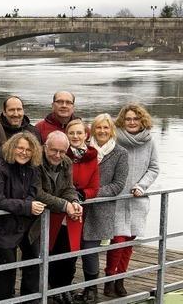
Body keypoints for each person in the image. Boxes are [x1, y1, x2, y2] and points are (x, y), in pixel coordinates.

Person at [0, 132, 45, 302]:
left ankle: (29, 299)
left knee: (33, 258)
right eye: (20, 148)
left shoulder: (32, 167)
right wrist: (27, 206)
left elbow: (33, 192)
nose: (24, 152)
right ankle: (0, 298)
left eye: (28, 150)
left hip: (21, 224)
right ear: (11, 147)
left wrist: (28, 204)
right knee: (5, 268)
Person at [105, 104, 159, 297]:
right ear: (122, 120)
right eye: (128, 119)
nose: (132, 122)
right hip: (117, 198)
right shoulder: (114, 139)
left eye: (136, 119)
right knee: (117, 239)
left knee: (128, 241)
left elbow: (154, 168)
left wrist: (141, 186)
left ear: (142, 120)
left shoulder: (149, 141)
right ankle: (109, 279)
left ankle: (121, 279)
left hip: (137, 198)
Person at [78, 114, 128, 304]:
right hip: (79, 207)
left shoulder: (120, 153)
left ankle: (91, 289)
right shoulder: (84, 150)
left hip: (101, 210)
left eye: (106, 128)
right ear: (93, 130)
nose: (102, 131)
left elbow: (118, 185)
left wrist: (90, 193)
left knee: (90, 250)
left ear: (112, 130)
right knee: (74, 249)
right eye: (98, 127)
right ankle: (71, 288)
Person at [50, 119, 100, 302]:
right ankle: (54, 289)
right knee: (54, 250)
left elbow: (94, 187)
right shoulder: (59, 153)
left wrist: (80, 195)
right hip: (57, 210)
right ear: (66, 135)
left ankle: (65, 287)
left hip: (76, 211)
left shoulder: (92, 157)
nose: (76, 136)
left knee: (70, 253)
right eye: (72, 133)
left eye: (79, 133)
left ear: (86, 135)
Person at [32, 130, 84, 304]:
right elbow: (38, 193)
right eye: (53, 150)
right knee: (39, 257)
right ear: (45, 146)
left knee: (65, 252)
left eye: (62, 151)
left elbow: (68, 187)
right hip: (35, 218)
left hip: (57, 217)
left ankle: (62, 289)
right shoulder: (35, 162)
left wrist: (74, 201)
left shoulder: (66, 162)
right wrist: (65, 205)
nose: (57, 155)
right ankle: (40, 294)